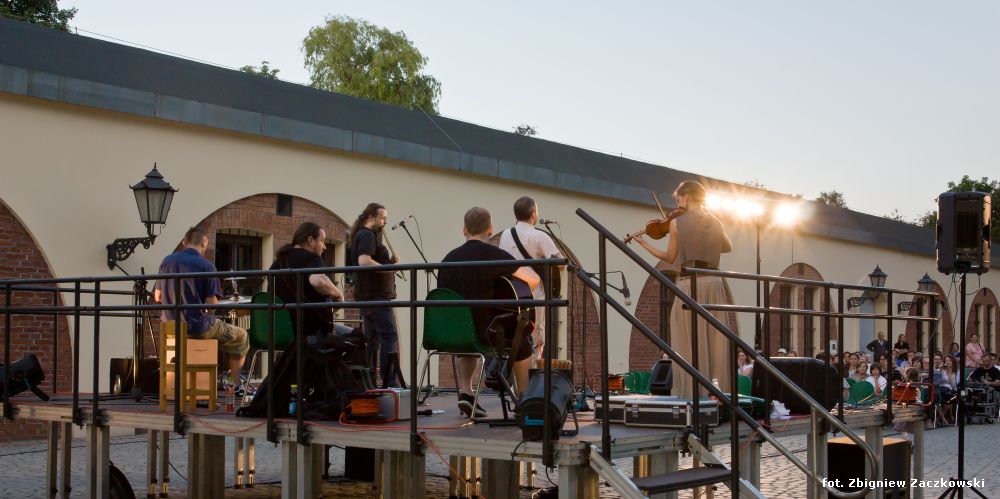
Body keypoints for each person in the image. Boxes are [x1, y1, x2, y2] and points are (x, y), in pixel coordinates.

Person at [633, 180, 736, 399]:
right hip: (714, 283)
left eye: (678, 198)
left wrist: (645, 244)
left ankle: (691, 394)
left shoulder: (677, 223)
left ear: (686, 197)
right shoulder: (716, 221)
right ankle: (718, 394)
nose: (677, 203)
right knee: (714, 338)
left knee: (687, 339)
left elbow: (669, 257)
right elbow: (727, 246)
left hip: (690, 284)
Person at [437, 207, 540, 417]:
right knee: (522, 340)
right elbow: (534, 279)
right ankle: (524, 399)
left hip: (452, 332)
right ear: (490, 229)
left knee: (468, 342)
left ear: (464, 230)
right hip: (485, 333)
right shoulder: (494, 256)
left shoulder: (447, 259)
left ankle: (466, 393)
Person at [154, 228, 249, 376]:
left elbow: (158, 297)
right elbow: (211, 306)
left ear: (184, 242)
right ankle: (234, 383)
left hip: (170, 328)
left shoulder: (167, 261)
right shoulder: (207, 266)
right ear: (204, 245)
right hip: (196, 327)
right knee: (241, 336)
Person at [497, 196, 565, 363]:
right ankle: (532, 373)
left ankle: (512, 376)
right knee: (536, 338)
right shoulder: (540, 236)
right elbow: (561, 263)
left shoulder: (505, 235)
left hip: (512, 294)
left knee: (514, 337)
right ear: (533, 213)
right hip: (534, 294)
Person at [350, 203, 401, 388]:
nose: (384, 222)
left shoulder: (363, 234)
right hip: (376, 296)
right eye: (382, 218)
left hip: (368, 296)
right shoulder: (367, 235)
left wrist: (388, 262)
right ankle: (389, 383)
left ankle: (369, 383)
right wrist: (387, 267)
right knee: (389, 336)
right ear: (371, 217)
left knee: (373, 341)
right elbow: (364, 261)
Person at [269, 222, 345, 336]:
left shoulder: (277, 263)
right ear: (310, 240)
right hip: (310, 332)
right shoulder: (311, 258)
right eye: (322, 241)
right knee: (358, 337)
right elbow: (318, 281)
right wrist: (338, 294)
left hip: (282, 332)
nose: (324, 247)